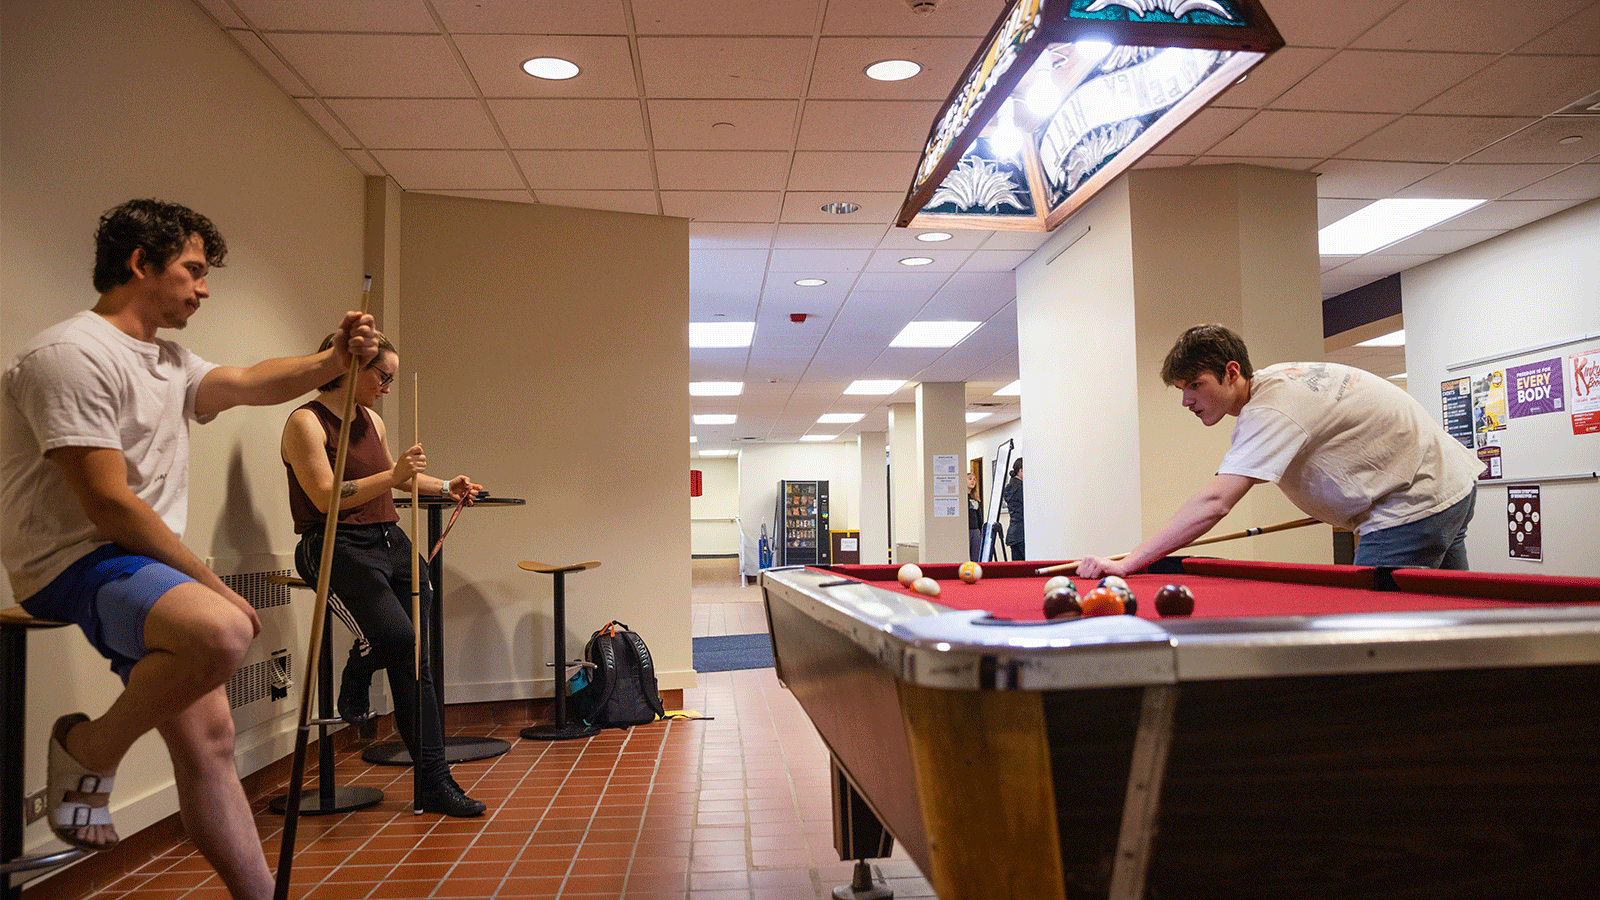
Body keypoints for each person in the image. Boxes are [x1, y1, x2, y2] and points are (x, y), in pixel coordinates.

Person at [1, 199, 377, 899]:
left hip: (133, 562)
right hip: (72, 560)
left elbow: (248, 383)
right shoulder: (71, 355)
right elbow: (107, 506)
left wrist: (330, 358)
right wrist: (215, 586)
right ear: (141, 263)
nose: (204, 289)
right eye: (194, 271)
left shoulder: (168, 359)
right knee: (224, 628)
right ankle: (86, 751)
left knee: (210, 746)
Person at [1078, 324, 1482, 579]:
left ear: (1232, 372)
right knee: (1452, 614)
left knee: (1374, 635)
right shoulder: (1276, 384)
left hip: (1413, 507)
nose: (1186, 400)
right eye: (1181, 388)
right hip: (1449, 485)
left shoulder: (1271, 408)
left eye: (1195, 385)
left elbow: (1216, 503)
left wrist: (1130, 562)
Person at [279, 333, 486, 817]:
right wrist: (392, 478)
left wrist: (444, 484)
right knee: (396, 637)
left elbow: (400, 478)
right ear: (351, 369)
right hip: (332, 547)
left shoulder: (370, 419)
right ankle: (356, 674)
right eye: (382, 376)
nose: (388, 387)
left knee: (418, 663)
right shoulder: (304, 423)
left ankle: (435, 783)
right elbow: (326, 497)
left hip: (388, 541)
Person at [1001, 458, 1025, 560]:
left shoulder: (1010, 487)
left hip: (1014, 533)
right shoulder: (1021, 488)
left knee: (1018, 569)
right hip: (1022, 534)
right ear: (1021, 470)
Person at [967, 472, 984, 562]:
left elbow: (979, 516)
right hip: (966, 530)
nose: (972, 481)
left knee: (976, 557)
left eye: (974, 479)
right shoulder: (962, 498)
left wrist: (981, 530)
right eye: (970, 479)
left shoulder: (975, 499)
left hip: (976, 530)